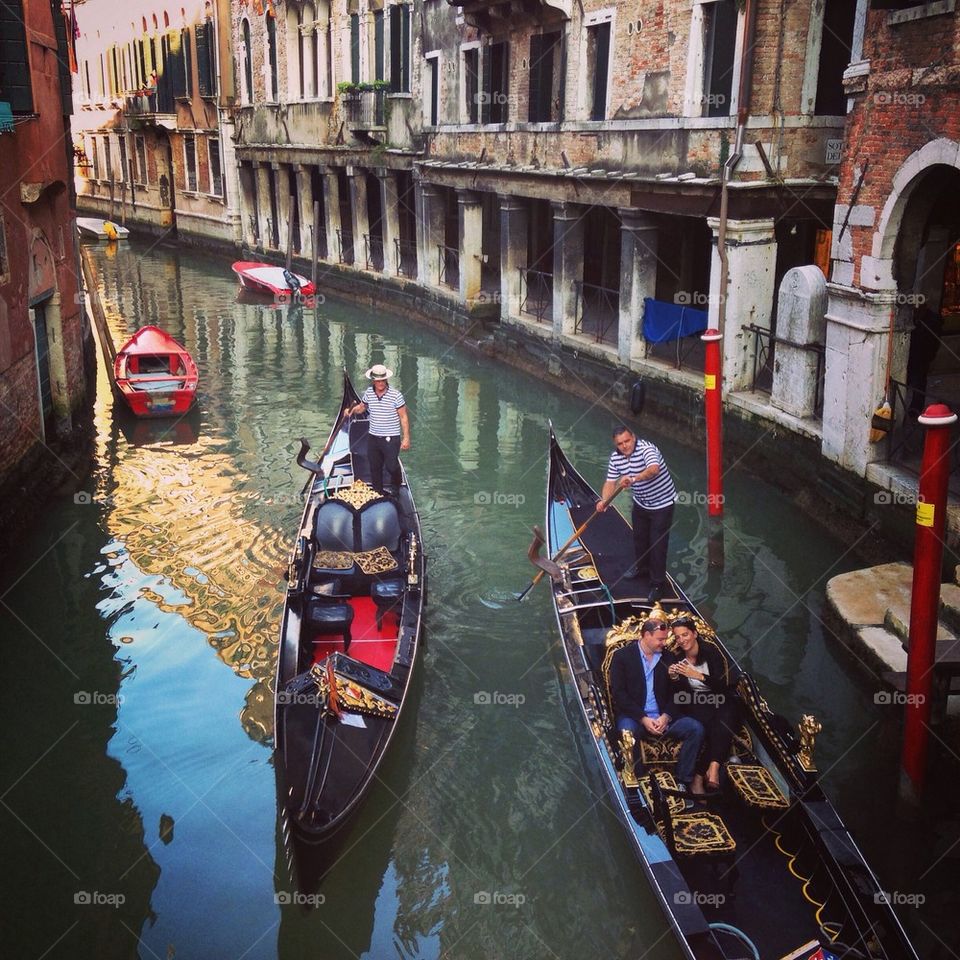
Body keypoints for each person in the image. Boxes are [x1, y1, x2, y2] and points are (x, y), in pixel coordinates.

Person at [609, 617, 704, 791]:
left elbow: (677, 693)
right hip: (635, 717)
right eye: (660, 639)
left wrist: (666, 716)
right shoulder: (622, 657)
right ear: (646, 635)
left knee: (695, 728)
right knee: (627, 733)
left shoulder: (669, 657)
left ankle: (682, 780)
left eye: (665, 638)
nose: (664, 643)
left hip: (664, 718)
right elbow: (619, 694)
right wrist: (643, 718)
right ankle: (639, 783)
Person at [596, 425, 676, 602]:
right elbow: (610, 482)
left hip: (662, 505)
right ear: (615, 444)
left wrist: (633, 479)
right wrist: (605, 501)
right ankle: (642, 568)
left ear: (633, 437)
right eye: (620, 443)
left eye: (627, 441)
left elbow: (654, 469)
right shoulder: (616, 457)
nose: (624, 446)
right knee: (639, 538)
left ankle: (657, 584)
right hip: (641, 503)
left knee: (657, 545)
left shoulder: (647, 449)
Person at [667, 616, 741, 793]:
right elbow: (678, 695)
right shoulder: (675, 657)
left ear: (694, 633)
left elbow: (723, 685)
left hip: (717, 698)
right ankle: (707, 772)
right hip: (693, 702)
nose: (682, 640)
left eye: (685, 635)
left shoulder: (710, 652)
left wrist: (698, 676)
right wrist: (675, 678)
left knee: (727, 711)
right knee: (722, 719)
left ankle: (705, 772)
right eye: (677, 637)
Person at [345, 364, 411, 494]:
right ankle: (378, 492)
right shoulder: (369, 393)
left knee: (391, 466)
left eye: (382, 380)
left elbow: (404, 417)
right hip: (373, 437)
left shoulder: (396, 395)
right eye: (378, 380)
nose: (380, 383)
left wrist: (406, 438)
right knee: (375, 467)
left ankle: (396, 487)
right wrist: (351, 411)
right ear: (373, 380)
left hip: (391, 437)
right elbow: (362, 407)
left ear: (386, 380)